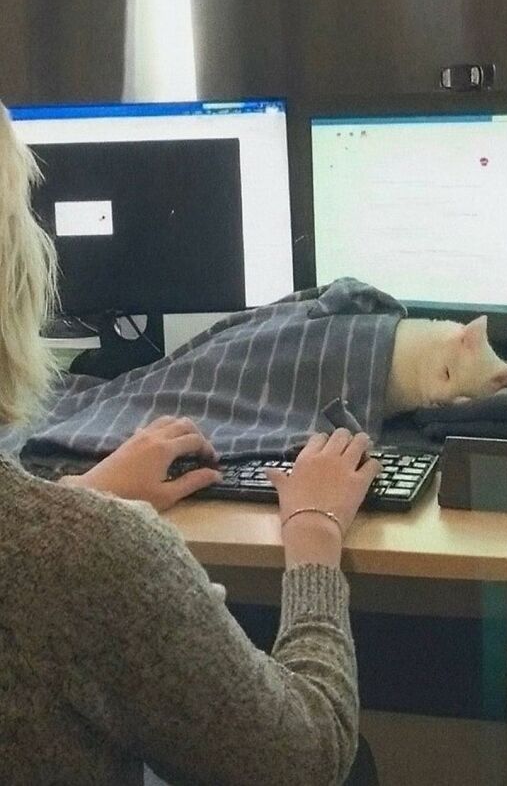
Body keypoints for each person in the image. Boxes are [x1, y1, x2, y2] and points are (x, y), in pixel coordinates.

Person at [0, 103, 382, 785]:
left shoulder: (66, 545)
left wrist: (79, 497)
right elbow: (308, 755)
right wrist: (315, 532)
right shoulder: (96, 559)